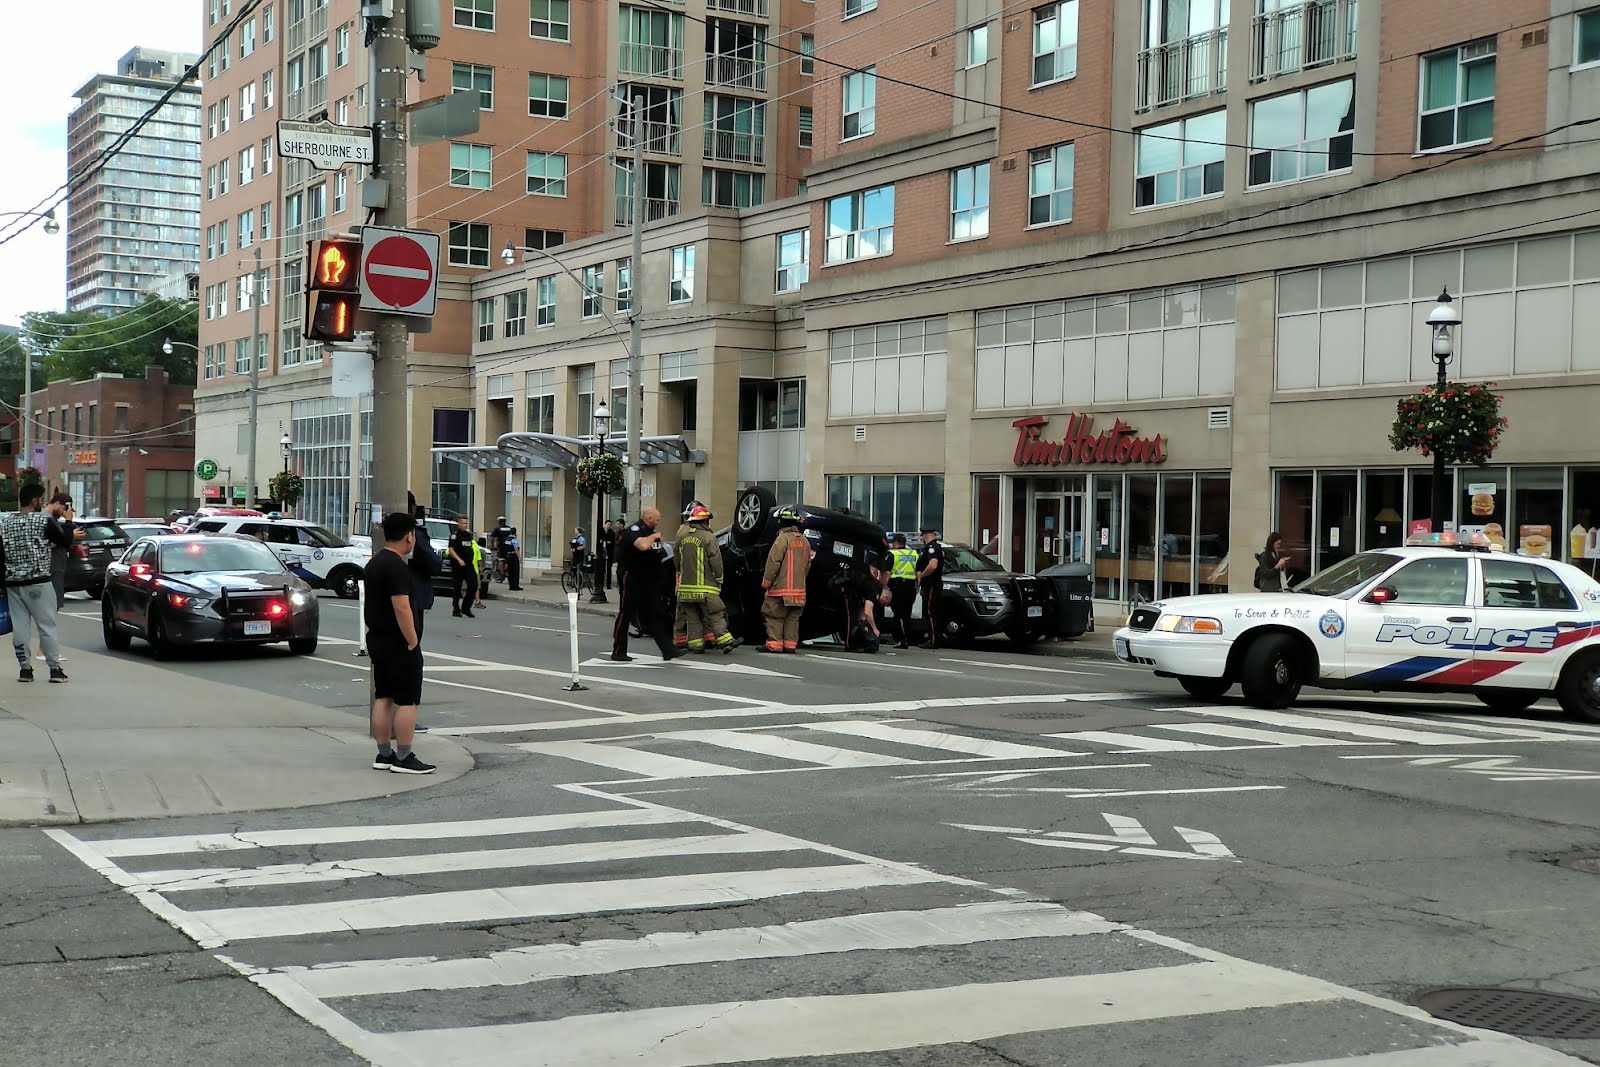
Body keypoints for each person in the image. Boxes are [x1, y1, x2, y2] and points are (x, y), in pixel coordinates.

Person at [364, 512, 434, 774]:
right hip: (398, 642)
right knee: (407, 700)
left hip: (378, 639)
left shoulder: (374, 563)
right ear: (409, 535)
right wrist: (412, 639)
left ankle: (384, 754)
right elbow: (402, 607)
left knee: (383, 696)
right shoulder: (396, 566)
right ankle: (404, 756)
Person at [2, 484, 73, 683]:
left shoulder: (6, 523)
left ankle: (25, 669)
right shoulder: (43, 521)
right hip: (39, 581)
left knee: (20, 627)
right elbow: (65, 541)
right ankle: (55, 669)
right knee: (46, 625)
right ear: (34, 501)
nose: (43, 502)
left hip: (13, 582)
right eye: (41, 498)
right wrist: (68, 522)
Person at [613, 507, 681, 662]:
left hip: (648, 580)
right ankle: (618, 650)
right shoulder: (633, 531)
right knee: (626, 614)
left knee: (656, 614)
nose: (659, 521)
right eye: (657, 519)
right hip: (631, 578)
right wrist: (655, 536)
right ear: (648, 518)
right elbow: (642, 546)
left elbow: (658, 555)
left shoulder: (650, 533)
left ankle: (668, 650)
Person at [674, 504, 738, 653]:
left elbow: (676, 560)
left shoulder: (682, 536)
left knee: (693, 617)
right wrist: (719, 578)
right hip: (706, 587)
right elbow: (716, 561)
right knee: (715, 613)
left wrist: (680, 573)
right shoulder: (708, 537)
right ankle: (725, 640)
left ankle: (696, 645)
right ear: (705, 521)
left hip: (686, 589)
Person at [405, 495, 442, 734]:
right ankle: (407, 716)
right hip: (412, 602)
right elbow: (433, 565)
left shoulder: (382, 535)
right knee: (411, 659)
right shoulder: (413, 535)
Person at [760, 507, 811, 653]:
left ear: (781, 522)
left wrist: (766, 583)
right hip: (799, 590)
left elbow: (773, 563)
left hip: (780, 590)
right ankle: (790, 646)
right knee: (792, 619)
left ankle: (774, 645)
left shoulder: (782, 539)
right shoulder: (805, 541)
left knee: (774, 616)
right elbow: (807, 565)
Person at [885, 532, 919, 649]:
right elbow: (918, 572)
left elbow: (887, 573)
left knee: (897, 615)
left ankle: (900, 639)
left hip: (897, 586)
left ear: (895, 543)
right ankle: (907, 639)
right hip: (910, 587)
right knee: (907, 615)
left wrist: (884, 587)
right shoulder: (914, 554)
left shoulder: (892, 554)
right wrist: (917, 586)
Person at [46, 492, 78, 611]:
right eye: (64, 508)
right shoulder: (46, 519)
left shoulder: (54, 520)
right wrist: (69, 522)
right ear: (57, 503)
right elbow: (49, 543)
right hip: (51, 568)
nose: (64, 513)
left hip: (57, 568)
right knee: (51, 607)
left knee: (55, 605)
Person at [915, 525, 945, 649]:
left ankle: (933, 640)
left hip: (932, 584)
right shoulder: (928, 548)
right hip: (929, 585)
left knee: (930, 611)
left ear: (925, 534)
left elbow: (933, 565)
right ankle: (933, 637)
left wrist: (922, 575)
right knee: (930, 612)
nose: (921, 537)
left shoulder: (933, 548)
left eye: (922, 535)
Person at [447, 515, 477, 618]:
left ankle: (466, 607)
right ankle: (456, 609)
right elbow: (451, 549)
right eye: (463, 523)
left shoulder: (468, 535)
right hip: (458, 565)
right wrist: (459, 559)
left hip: (468, 564)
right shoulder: (455, 535)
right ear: (459, 524)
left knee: (473, 585)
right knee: (457, 588)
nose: (465, 525)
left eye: (466, 523)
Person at [490, 515, 522, 590]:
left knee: (501, 560)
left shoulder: (498, 529)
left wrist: (492, 546)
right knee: (509, 563)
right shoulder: (508, 528)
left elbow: (492, 538)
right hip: (509, 548)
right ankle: (507, 571)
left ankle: (502, 574)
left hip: (502, 547)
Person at [599, 520, 615, 589]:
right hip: (602, 552)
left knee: (609, 568)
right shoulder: (601, 531)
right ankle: (601, 583)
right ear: (605, 525)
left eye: (610, 525)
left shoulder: (612, 532)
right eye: (607, 524)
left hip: (609, 552)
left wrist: (609, 543)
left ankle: (608, 584)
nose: (608, 526)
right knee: (602, 568)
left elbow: (612, 542)